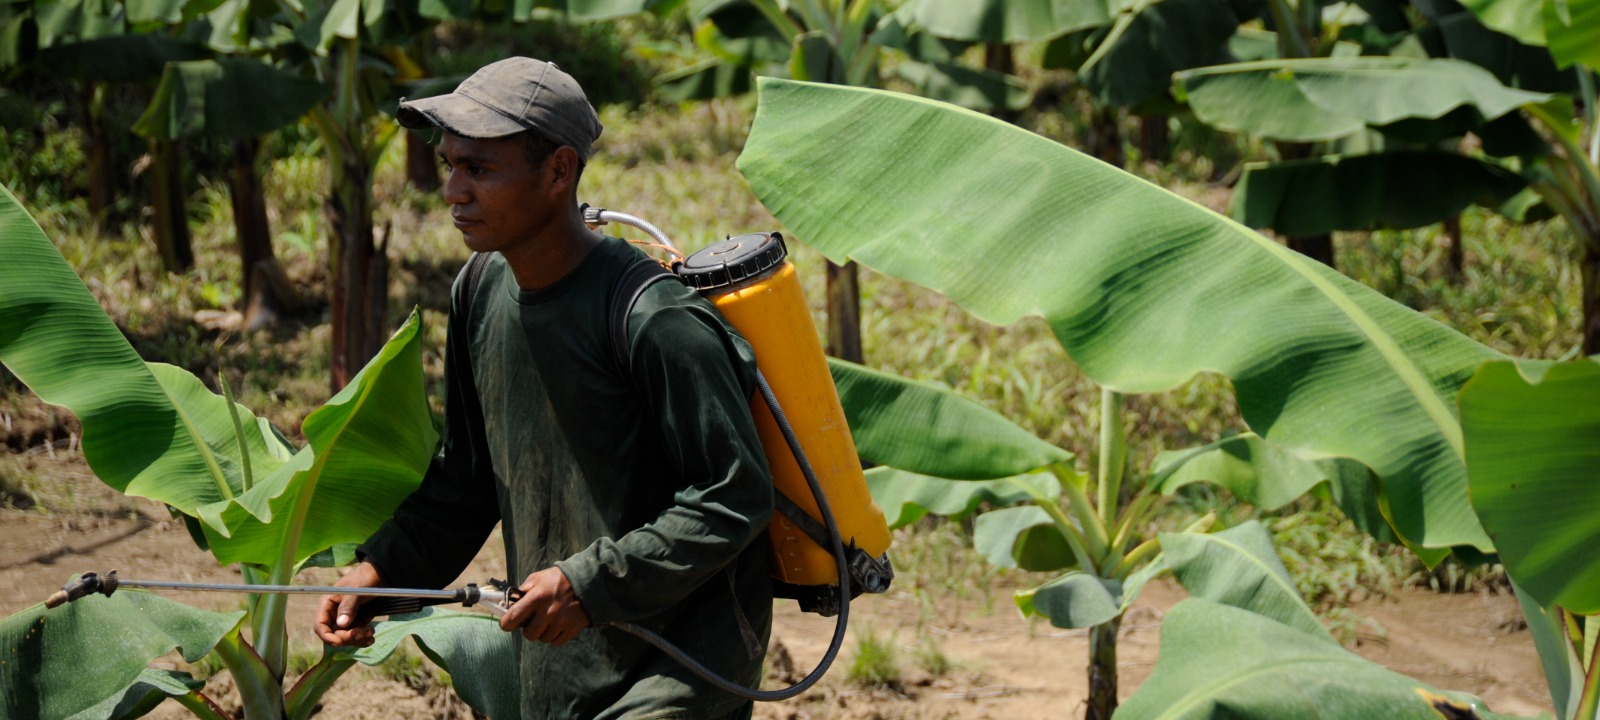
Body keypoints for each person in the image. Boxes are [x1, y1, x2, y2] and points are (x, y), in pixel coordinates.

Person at [313, 56, 775, 720]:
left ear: (558, 171)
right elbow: (465, 485)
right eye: (450, 166)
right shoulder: (479, 291)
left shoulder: (651, 318)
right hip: (561, 667)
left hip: (678, 673)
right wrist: (381, 572)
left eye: (479, 169)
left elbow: (735, 495)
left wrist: (590, 584)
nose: (453, 192)